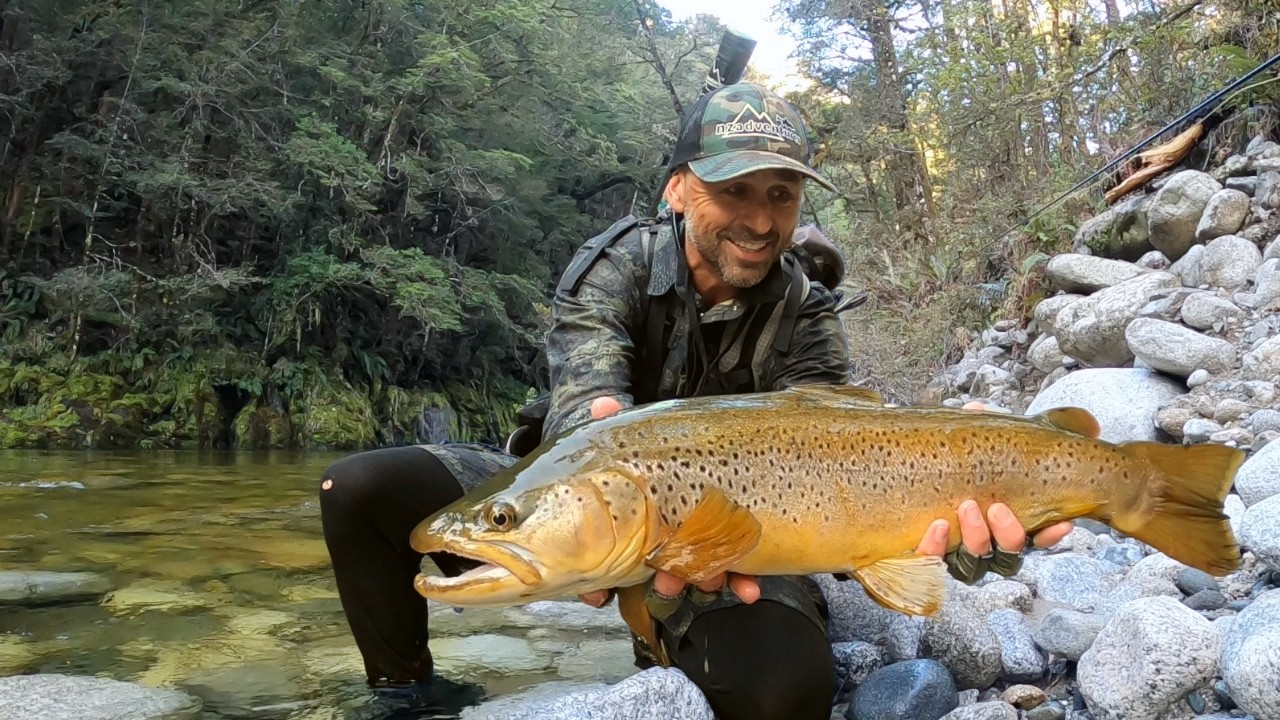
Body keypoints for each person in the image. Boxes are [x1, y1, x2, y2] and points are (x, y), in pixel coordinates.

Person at [317, 82, 1074, 720]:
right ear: (678, 188)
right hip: (598, 491)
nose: (758, 218)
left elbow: (845, 475)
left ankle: (663, 633)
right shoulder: (612, 269)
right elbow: (586, 425)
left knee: (785, 692)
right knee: (357, 489)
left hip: (742, 526)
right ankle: (405, 697)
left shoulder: (807, 311)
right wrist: (607, 555)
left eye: (780, 194)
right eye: (732, 189)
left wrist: (978, 514)